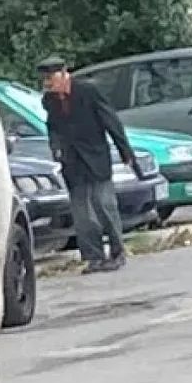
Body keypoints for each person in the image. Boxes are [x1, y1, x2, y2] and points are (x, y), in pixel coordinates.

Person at [37, 55, 138, 274]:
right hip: (72, 163)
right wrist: (56, 148)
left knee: (104, 205)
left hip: (95, 157)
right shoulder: (49, 101)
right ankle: (94, 257)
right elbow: (53, 127)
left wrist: (125, 150)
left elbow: (110, 120)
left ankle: (117, 252)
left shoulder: (88, 91)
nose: (47, 84)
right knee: (82, 213)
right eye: (45, 79)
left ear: (64, 74)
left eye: (51, 78)